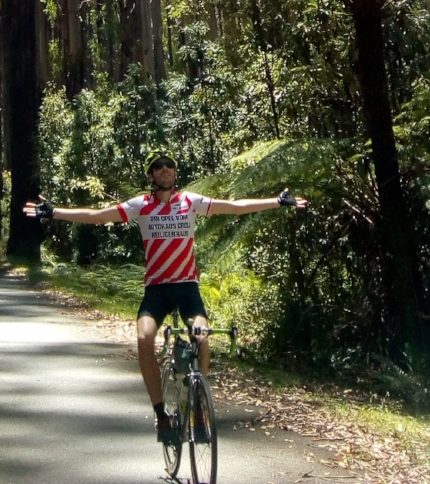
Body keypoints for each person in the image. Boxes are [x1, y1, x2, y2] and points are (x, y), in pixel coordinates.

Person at [24, 150, 307, 443]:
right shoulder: (141, 206)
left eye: (169, 166)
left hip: (187, 287)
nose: (165, 170)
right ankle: (161, 415)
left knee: (202, 335)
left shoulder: (190, 202)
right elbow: (97, 216)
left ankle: (199, 407)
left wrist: (276, 201)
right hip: (156, 290)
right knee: (144, 339)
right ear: (150, 176)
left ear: (175, 172)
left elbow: (233, 207)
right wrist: (55, 212)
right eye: (158, 167)